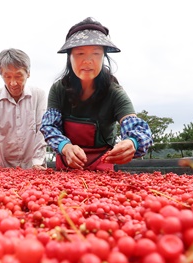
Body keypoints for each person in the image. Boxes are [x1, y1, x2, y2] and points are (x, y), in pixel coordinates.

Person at [40, 17, 152, 171]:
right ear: (69, 58)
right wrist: (65, 147)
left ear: (104, 57)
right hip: (66, 166)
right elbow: (49, 126)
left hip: (101, 167)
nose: (88, 61)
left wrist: (133, 142)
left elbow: (137, 128)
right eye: (79, 54)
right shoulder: (58, 89)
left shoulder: (114, 93)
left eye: (96, 53)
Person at [0, 48, 47, 169]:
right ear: (1, 75)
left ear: (28, 73)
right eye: (7, 77)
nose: (13, 83)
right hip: (2, 169)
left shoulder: (39, 96)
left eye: (18, 76)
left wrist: (37, 161)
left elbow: (42, 129)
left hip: (34, 168)